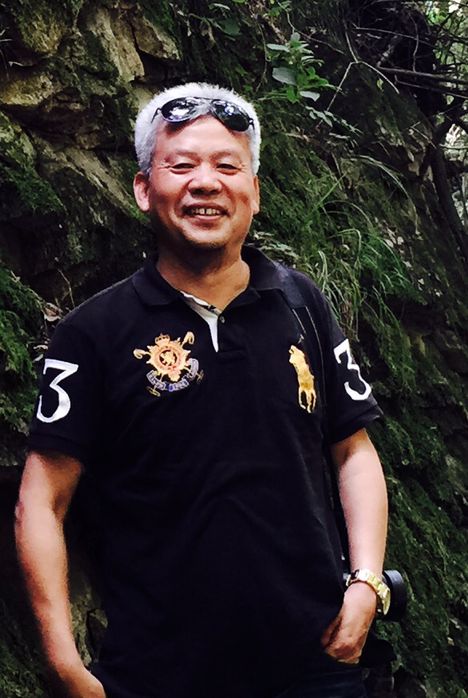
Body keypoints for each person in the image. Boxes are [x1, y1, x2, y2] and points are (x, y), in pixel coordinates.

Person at [15, 82, 389, 698]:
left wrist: (367, 583)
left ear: (255, 192)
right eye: (182, 165)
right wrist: (64, 666)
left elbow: (353, 451)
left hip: (317, 663)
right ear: (144, 189)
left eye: (227, 167)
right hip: (157, 673)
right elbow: (42, 501)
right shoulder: (94, 333)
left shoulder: (302, 307)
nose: (206, 183)